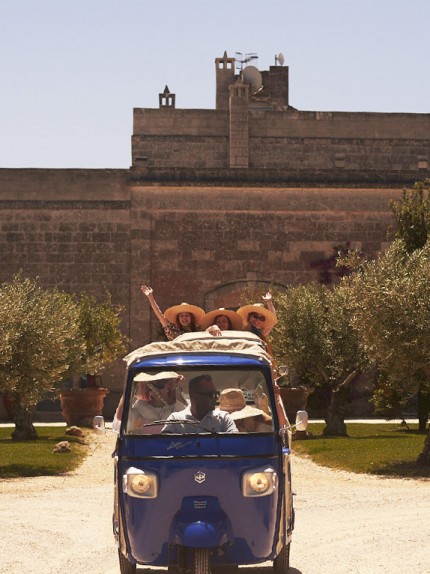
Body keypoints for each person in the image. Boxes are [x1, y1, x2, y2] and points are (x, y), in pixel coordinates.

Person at [114, 371, 187, 434]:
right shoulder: (141, 409)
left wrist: (177, 390)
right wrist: (130, 385)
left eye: (160, 385)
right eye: (158, 386)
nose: (151, 390)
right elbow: (121, 416)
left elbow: (191, 418)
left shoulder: (177, 408)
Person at [161, 374, 238, 434]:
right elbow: (163, 447)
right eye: (211, 395)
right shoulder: (175, 420)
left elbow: (237, 443)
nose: (215, 398)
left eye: (216, 393)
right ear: (195, 398)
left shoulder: (223, 419)